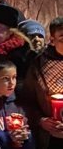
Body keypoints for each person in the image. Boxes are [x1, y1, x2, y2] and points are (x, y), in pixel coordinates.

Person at [23, 16, 63, 149]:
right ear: (52, 40)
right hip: (48, 138)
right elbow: (28, 99)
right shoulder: (39, 65)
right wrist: (40, 120)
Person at [0, 58, 34, 149]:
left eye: (14, 77)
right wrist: (9, 138)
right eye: (6, 79)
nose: (12, 83)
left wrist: (24, 138)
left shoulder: (19, 102)